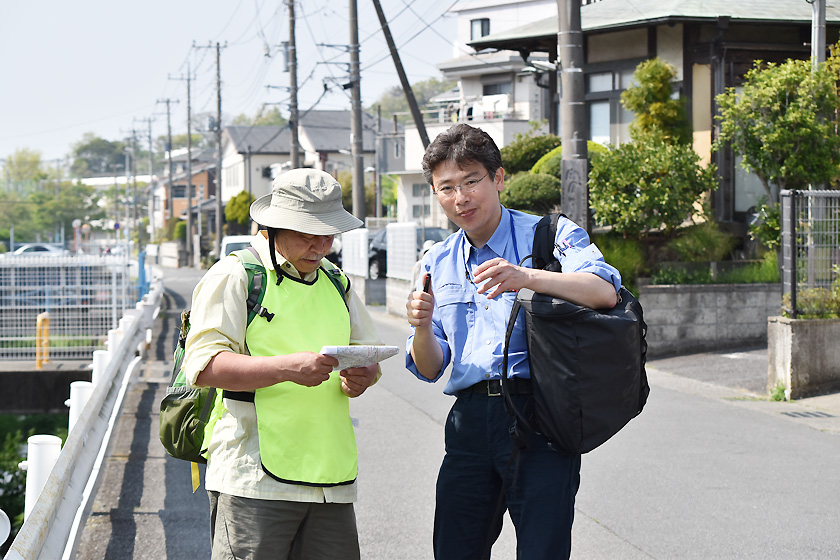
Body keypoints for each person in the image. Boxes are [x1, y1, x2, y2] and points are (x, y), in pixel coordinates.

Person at [405, 124, 621, 559]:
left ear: (498, 179)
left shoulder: (549, 235)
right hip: (468, 422)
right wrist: (424, 327)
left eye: (471, 182)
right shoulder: (436, 260)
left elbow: (606, 290)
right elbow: (430, 367)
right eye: (446, 187)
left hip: (539, 416)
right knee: (454, 550)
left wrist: (528, 278)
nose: (460, 198)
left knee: (543, 550)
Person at [183, 168, 384, 560]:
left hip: (331, 479)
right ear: (273, 226)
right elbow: (204, 366)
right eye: (310, 233)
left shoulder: (336, 281)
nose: (322, 245)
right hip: (253, 480)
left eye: (329, 234)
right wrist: (286, 368)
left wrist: (363, 376)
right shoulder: (236, 274)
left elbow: (369, 354)